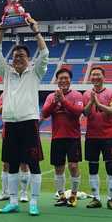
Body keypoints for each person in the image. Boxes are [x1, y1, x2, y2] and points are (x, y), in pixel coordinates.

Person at [0, 20, 48, 216]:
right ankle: (14, 201)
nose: (18, 58)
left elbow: (45, 53)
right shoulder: (6, 73)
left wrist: (36, 32)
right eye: (15, 56)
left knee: (33, 164)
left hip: (29, 123)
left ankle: (33, 202)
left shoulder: (36, 72)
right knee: (12, 164)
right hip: (10, 123)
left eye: (22, 56)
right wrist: (0, 32)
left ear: (29, 58)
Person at [41, 68, 83, 207]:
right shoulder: (50, 97)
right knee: (58, 168)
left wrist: (63, 101)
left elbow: (77, 112)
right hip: (57, 137)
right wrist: (55, 101)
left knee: (73, 166)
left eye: (66, 78)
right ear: (57, 80)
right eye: (60, 78)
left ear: (70, 80)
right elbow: (45, 113)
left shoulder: (77, 95)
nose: (63, 80)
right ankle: (61, 195)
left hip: (73, 137)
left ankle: (73, 195)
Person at [83, 67, 112, 210]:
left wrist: (98, 104)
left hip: (108, 136)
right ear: (90, 77)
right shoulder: (86, 94)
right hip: (91, 136)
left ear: (104, 77)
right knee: (92, 167)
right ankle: (96, 198)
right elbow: (85, 113)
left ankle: (111, 199)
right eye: (93, 75)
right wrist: (91, 102)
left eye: (98, 74)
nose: (95, 77)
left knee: (110, 167)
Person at [0, 92, 31, 202]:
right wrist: (9, 101)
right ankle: (5, 192)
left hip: (24, 131)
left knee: (24, 163)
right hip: (8, 132)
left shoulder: (25, 91)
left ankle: (24, 193)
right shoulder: (4, 94)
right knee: (6, 164)